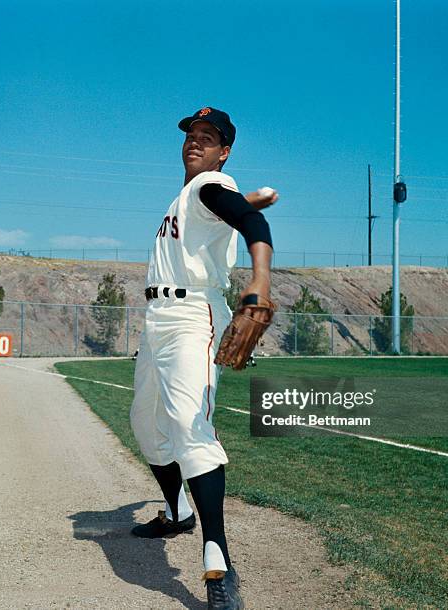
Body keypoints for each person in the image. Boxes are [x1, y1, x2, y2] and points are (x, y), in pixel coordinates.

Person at [129, 107, 277, 610]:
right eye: (191, 134)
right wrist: (245, 203)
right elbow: (235, 213)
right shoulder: (193, 197)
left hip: (193, 315)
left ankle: (219, 564)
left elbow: (250, 220)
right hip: (158, 319)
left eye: (208, 136)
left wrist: (259, 280)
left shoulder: (210, 184)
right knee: (146, 425)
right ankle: (176, 513)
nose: (196, 141)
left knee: (192, 429)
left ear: (223, 150)